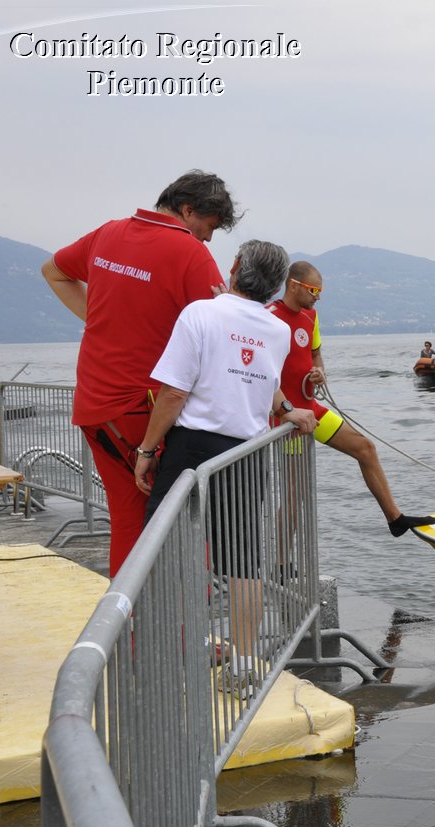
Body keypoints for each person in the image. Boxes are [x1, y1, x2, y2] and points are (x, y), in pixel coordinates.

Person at [132, 240, 316, 692]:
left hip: (193, 447)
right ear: (276, 285)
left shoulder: (200, 313)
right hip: (246, 452)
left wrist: (147, 449)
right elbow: (267, 387)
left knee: (164, 549)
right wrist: (288, 409)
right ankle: (243, 666)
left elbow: (174, 392)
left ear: (234, 267)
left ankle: (162, 649)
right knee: (243, 565)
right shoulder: (274, 329)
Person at [41, 169, 239, 576]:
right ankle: (179, 638)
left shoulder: (108, 234)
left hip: (95, 409)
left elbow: (54, 271)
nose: (208, 239)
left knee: (129, 524)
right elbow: (224, 335)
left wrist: (100, 320)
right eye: (209, 227)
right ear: (188, 211)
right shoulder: (189, 253)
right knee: (180, 527)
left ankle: (130, 633)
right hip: (142, 414)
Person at [268, 261, 434, 537]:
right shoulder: (270, 316)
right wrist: (285, 411)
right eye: (312, 290)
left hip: (311, 408)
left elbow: (315, 354)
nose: (317, 296)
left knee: (365, 448)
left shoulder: (311, 316)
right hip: (286, 419)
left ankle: (395, 518)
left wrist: (319, 371)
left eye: (320, 291)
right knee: (293, 495)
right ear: (294, 285)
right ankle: (282, 565)